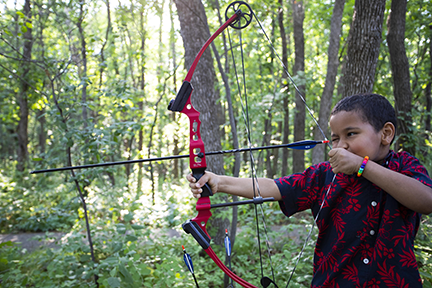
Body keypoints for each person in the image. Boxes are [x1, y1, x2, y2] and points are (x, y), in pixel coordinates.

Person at [187, 93, 432, 287]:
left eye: (351, 134)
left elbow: (426, 200)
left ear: (386, 134)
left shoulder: (405, 167)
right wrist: (219, 182)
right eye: (335, 138)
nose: (341, 144)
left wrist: (362, 166)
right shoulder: (325, 174)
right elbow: (273, 186)